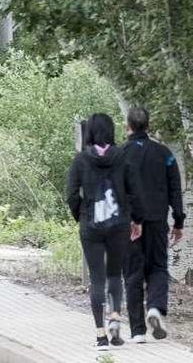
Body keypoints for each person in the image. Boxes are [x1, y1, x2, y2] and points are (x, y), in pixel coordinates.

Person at [66, 113, 144, 350]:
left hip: (91, 226)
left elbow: (71, 194)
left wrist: (82, 214)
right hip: (118, 225)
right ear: (111, 131)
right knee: (114, 274)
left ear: (89, 132)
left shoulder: (80, 160)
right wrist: (136, 220)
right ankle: (115, 319)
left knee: (97, 278)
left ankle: (100, 336)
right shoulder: (123, 157)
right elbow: (135, 192)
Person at [123, 107, 186, 343]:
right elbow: (175, 190)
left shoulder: (120, 154)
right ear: (148, 126)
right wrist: (178, 221)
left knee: (132, 273)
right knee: (158, 267)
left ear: (127, 126)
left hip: (130, 224)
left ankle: (138, 331)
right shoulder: (164, 154)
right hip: (157, 221)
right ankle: (156, 308)